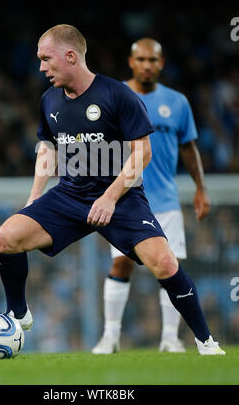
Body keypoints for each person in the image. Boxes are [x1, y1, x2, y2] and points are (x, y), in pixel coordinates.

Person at [0, 24, 225, 355]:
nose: (41, 67)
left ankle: (206, 342)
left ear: (70, 56)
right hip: (70, 195)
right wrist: (34, 197)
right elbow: (48, 149)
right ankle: (18, 312)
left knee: (164, 263)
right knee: (7, 237)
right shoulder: (49, 100)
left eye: (46, 59)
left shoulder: (117, 95)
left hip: (122, 198)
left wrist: (109, 196)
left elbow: (142, 153)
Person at [92, 38, 211, 355]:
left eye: (153, 60)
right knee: (121, 265)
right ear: (130, 62)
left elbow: (189, 148)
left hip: (166, 201)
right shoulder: (111, 95)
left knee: (170, 267)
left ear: (161, 63)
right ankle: (110, 336)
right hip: (126, 199)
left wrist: (201, 187)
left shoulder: (177, 102)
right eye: (141, 59)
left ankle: (170, 338)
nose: (147, 65)